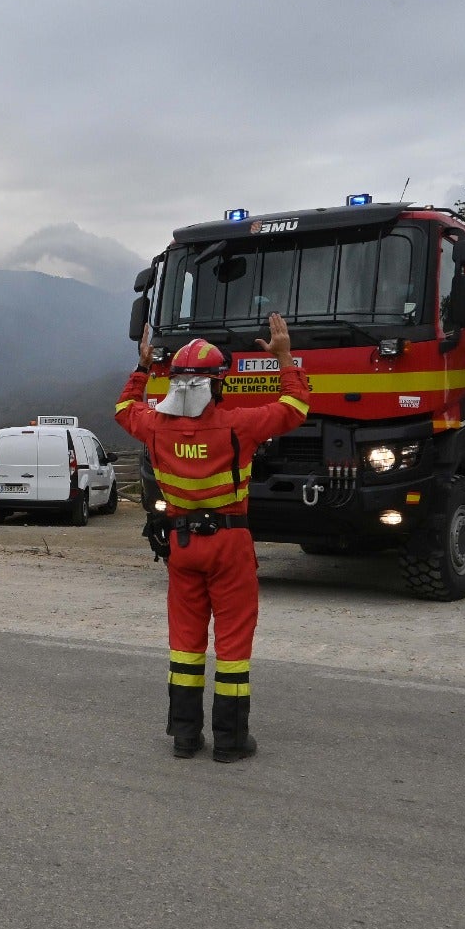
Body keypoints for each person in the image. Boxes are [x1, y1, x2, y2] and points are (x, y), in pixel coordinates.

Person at [114, 313, 308, 763]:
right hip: (230, 545)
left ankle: (185, 737)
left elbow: (124, 409)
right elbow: (297, 406)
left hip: (181, 547)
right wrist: (284, 358)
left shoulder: (154, 427)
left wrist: (146, 369)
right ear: (217, 385)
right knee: (234, 646)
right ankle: (230, 740)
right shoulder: (239, 425)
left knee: (185, 641)